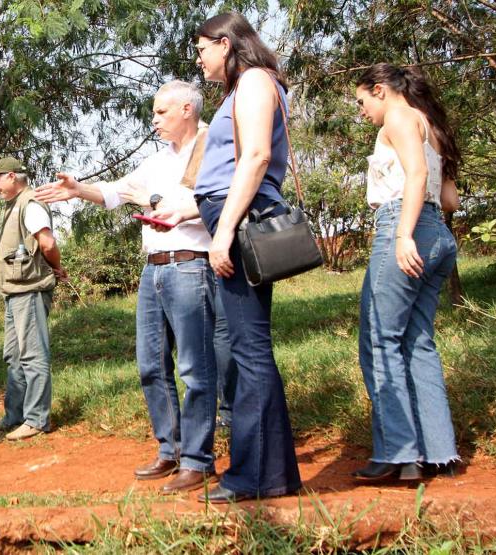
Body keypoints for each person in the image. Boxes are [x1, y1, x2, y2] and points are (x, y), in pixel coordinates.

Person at [34, 80, 237, 493]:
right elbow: (116, 193)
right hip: (154, 269)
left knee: (196, 369)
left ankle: (198, 461)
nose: (155, 119)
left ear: (186, 109)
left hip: (190, 266)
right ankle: (171, 449)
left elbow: (213, 201)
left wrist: (155, 197)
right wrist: (78, 190)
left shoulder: (212, 146)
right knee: (150, 365)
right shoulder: (157, 158)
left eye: (161, 112)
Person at [151, 13, 302, 503]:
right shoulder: (243, 88)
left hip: (241, 221)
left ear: (225, 42)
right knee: (247, 347)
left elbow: (255, 158)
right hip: (228, 216)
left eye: (201, 49)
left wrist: (225, 231)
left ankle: (255, 474)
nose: (199, 59)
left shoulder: (256, 81)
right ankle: (273, 472)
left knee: (248, 349)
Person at [352, 63, 461, 482]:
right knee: (418, 344)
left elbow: (415, 175)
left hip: (406, 226)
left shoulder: (398, 116)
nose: (361, 111)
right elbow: (448, 199)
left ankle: (397, 454)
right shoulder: (431, 126)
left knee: (380, 340)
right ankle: (438, 452)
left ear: (380, 90)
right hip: (438, 235)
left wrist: (402, 236)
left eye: (362, 101)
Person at [0, 157, 67, 441]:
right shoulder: (13, 205)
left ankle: (37, 419)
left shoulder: (29, 203)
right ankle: (14, 415)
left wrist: (55, 267)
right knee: (14, 356)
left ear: (11, 176)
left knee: (32, 355)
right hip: (14, 292)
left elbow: (48, 243)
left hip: (29, 290)